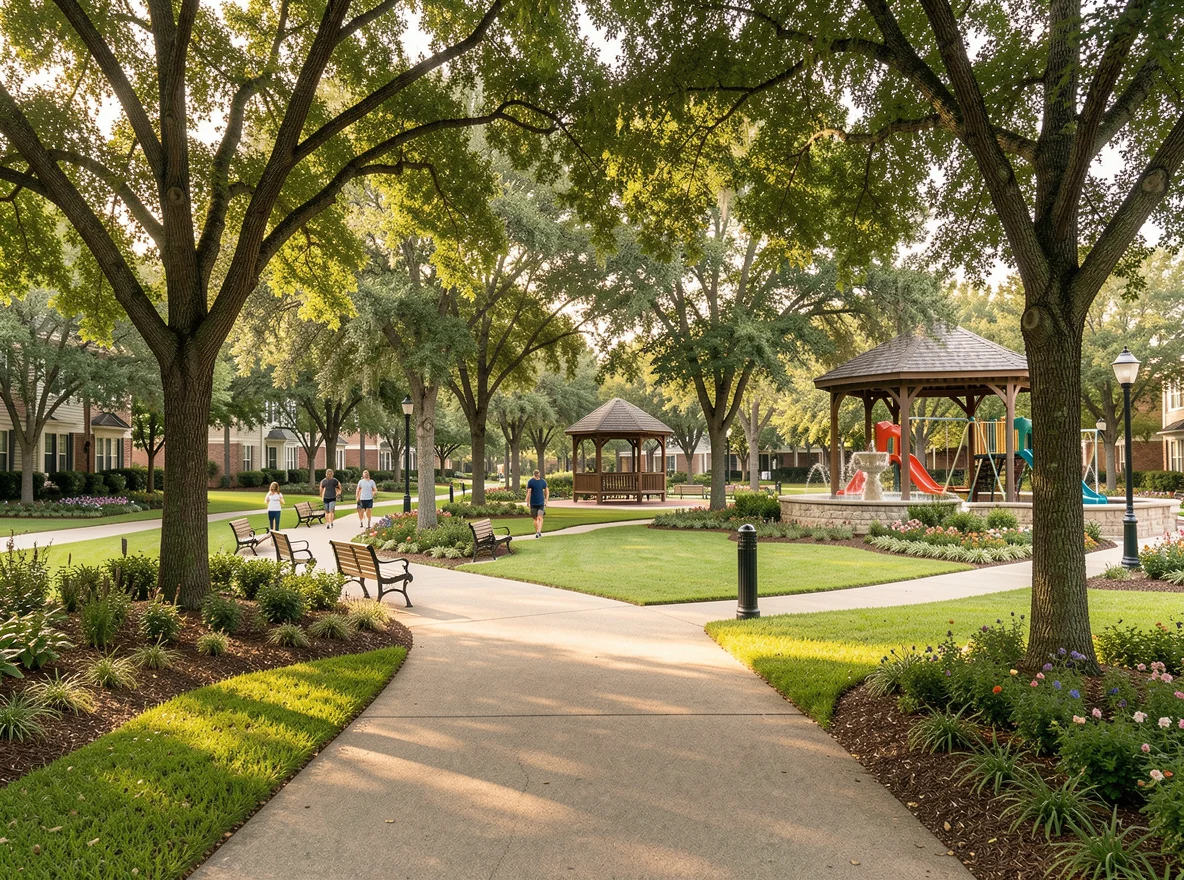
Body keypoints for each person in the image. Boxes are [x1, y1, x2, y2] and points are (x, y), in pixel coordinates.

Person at [526, 469, 549, 538]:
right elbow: (529, 492)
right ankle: (537, 532)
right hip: (533, 503)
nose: (537, 475)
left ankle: (538, 532)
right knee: (535, 519)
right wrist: (527, 501)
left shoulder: (543, 482)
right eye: (536, 473)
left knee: (540, 517)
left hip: (541, 503)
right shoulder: (530, 482)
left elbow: (547, 491)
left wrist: (546, 501)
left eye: (537, 473)